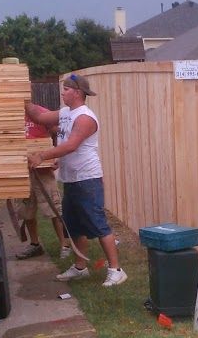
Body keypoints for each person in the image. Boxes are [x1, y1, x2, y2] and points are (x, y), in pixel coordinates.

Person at [26, 74, 127, 287]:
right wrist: (20, 97)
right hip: (71, 179)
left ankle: (116, 270)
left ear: (78, 92)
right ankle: (80, 268)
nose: (62, 93)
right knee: (73, 226)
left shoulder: (85, 117)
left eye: (66, 89)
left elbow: (71, 145)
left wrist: (43, 156)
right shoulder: (65, 113)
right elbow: (39, 117)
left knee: (98, 224)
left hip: (87, 179)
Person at [16, 111, 72, 260]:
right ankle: (35, 245)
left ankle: (64, 245)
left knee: (53, 208)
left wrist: (56, 157)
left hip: (43, 170)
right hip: (21, 170)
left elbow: (61, 133)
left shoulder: (40, 113)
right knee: (26, 210)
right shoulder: (10, 113)